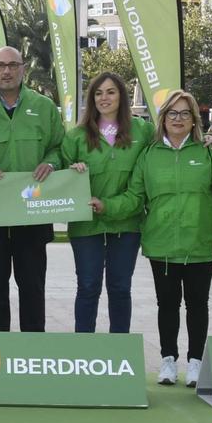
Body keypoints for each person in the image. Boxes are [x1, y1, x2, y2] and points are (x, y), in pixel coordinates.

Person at [98, 89, 212, 386]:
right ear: (163, 119)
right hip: (162, 245)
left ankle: (196, 363)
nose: (178, 119)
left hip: (201, 244)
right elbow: (135, 197)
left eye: (185, 113)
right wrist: (106, 206)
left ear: (194, 120)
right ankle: (168, 361)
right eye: (172, 113)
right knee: (167, 304)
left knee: (198, 304)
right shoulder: (149, 155)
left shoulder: (210, 153)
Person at [0, 46, 65, 333]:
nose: (7, 71)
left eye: (12, 65)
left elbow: (59, 147)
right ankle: (0, 347)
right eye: (0, 65)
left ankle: (32, 348)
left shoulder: (44, 106)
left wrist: (51, 161)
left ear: (23, 68)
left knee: (33, 286)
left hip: (32, 213)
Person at [61, 72, 153, 334]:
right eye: (99, 93)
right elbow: (61, 175)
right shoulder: (76, 136)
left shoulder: (143, 131)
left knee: (120, 287)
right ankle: (85, 349)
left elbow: (170, 144)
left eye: (111, 92)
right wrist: (71, 170)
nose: (105, 98)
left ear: (121, 96)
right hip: (86, 226)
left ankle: (119, 348)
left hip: (126, 224)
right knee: (88, 286)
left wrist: (207, 139)